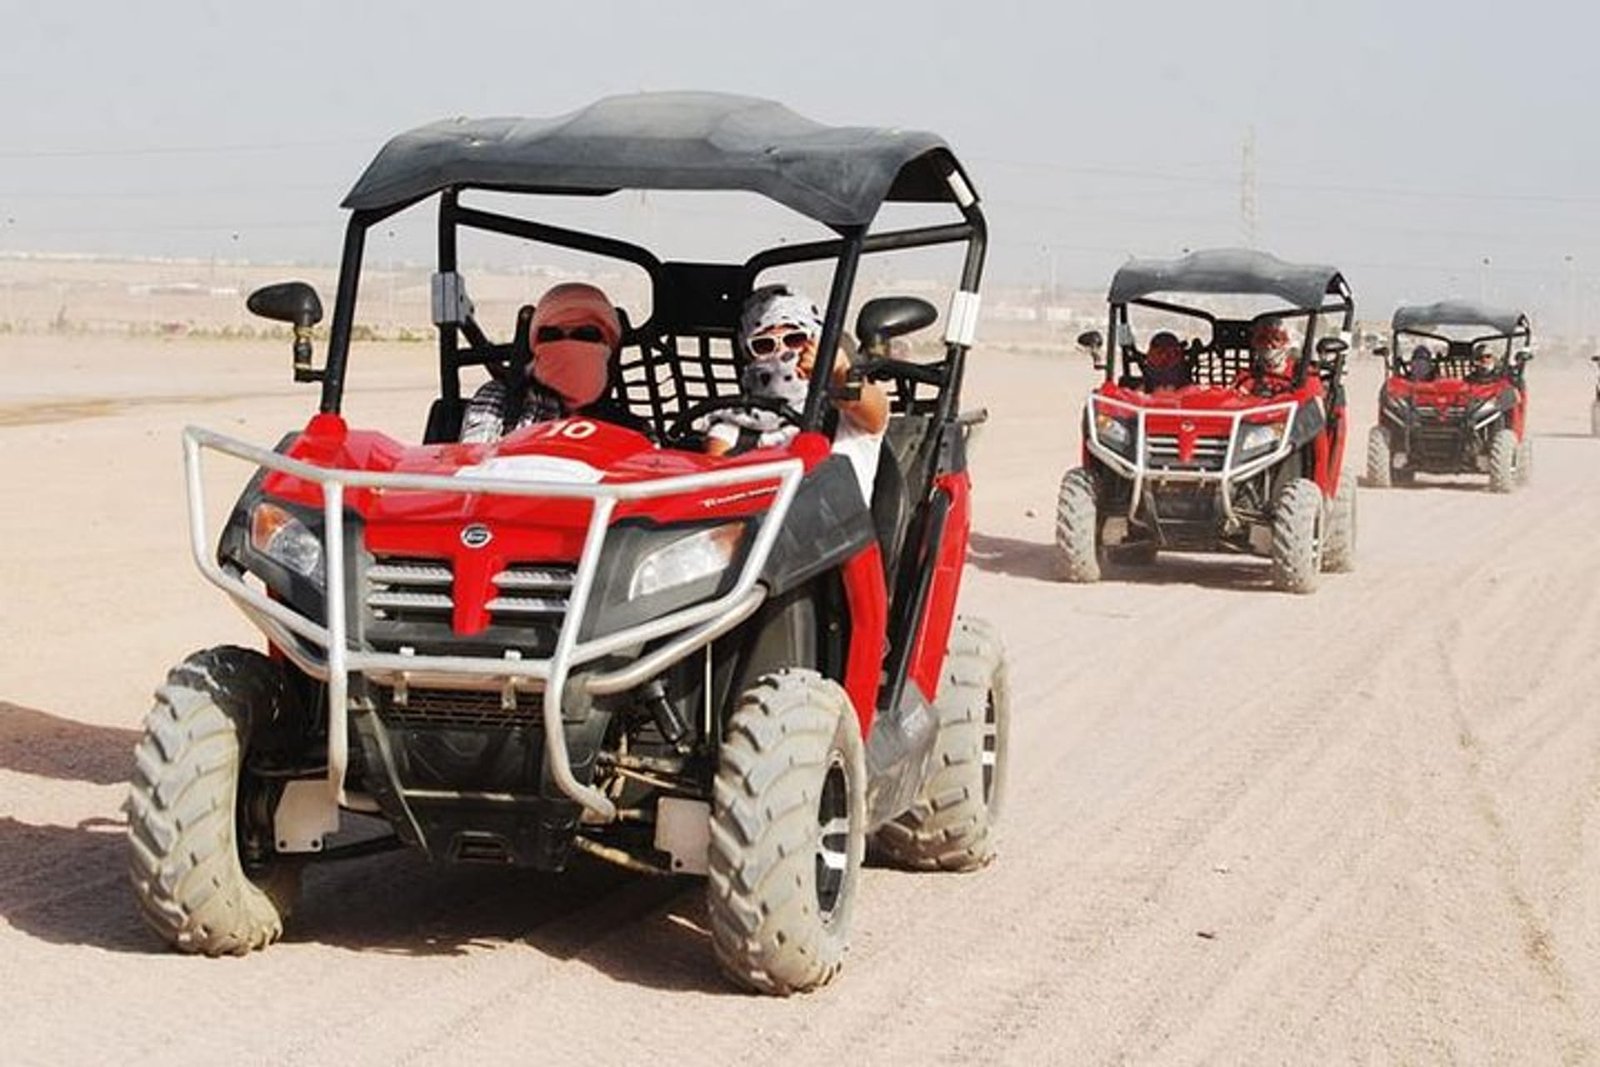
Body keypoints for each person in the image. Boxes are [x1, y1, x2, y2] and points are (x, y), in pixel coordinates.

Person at [705, 284, 889, 502]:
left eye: (795, 340)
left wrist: (839, 372)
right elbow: (717, 494)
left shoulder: (843, 415)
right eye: (764, 345)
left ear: (816, 342)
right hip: (760, 530)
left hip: (839, 532)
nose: (783, 353)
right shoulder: (732, 425)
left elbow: (875, 414)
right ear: (750, 356)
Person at [459, 282, 641, 444]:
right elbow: (473, 465)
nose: (567, 345)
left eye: (585, 335)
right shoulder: (499, 399)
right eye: (551, 336)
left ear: (608, 346)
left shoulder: (633, 431)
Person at [1234, 317, 1298, 394]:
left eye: (1277, 339)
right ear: (1255, 343)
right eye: (1262, 339)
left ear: (1287, 343)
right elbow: (1236, 399)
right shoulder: (1245, 376)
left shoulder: (1301, 373)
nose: (1268, 345)